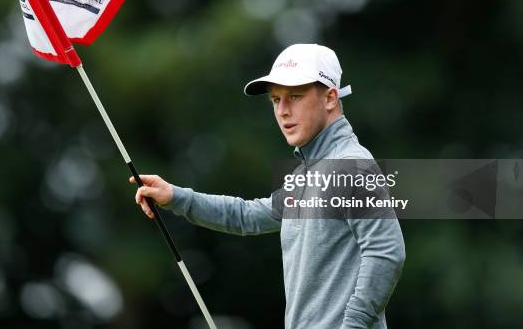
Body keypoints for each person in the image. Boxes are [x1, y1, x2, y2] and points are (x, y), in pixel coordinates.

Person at [130, 44, 405, 328]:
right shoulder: (309, 175)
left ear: (330, 98)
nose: (283, 111)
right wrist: (176, 197)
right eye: (276, 100)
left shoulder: (350, 165)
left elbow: (387, 252)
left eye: (295, 97)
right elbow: (246, 216)